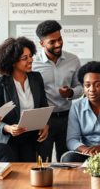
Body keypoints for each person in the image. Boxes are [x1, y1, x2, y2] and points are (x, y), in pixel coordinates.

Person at [0, 37, 49, 162]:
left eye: (30, 56)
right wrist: (9, 128)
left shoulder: (36, 78)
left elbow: (43, 106)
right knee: (12, 175)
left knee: (29, 172)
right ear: (13, 62)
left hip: (30, 137)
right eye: (25, 58)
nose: (31, 60)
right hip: (7, 139)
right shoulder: (0, 84)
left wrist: (45, 124)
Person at [33, 20, 83, 162]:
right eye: (52, 42)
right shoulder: (34, 64)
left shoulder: (73, 60)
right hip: (43, 121)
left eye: (59, 39)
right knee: (43, 162)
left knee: (68, 160)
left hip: (68, 119)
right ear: (42, 43)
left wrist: (71, 93)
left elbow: (80, 87)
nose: (58, 44)